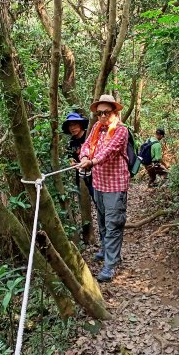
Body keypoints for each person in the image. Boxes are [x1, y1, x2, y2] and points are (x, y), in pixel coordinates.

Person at [78, 94, 129, 283]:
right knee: (102, 221)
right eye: (99, 113)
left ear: (114, 112)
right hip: (98, 183)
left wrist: (92, 161)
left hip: (115, 185)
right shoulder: (96, 129)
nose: (102, 116)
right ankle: (107, 251)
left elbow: (109, 151)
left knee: (113, 223)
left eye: (106, 112)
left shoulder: (121, 131)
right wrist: (84, 157)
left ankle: (111, 265)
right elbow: (86, 145)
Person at [61, 112, 93, 198]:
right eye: (70, 126)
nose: (72, 128)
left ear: (81, 124)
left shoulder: (89, 136)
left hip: (94, 175)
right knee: (83, 199)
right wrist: (71, 161)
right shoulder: (72, 141)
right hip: (80, 175)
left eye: (75, 124)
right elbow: (70, 155)